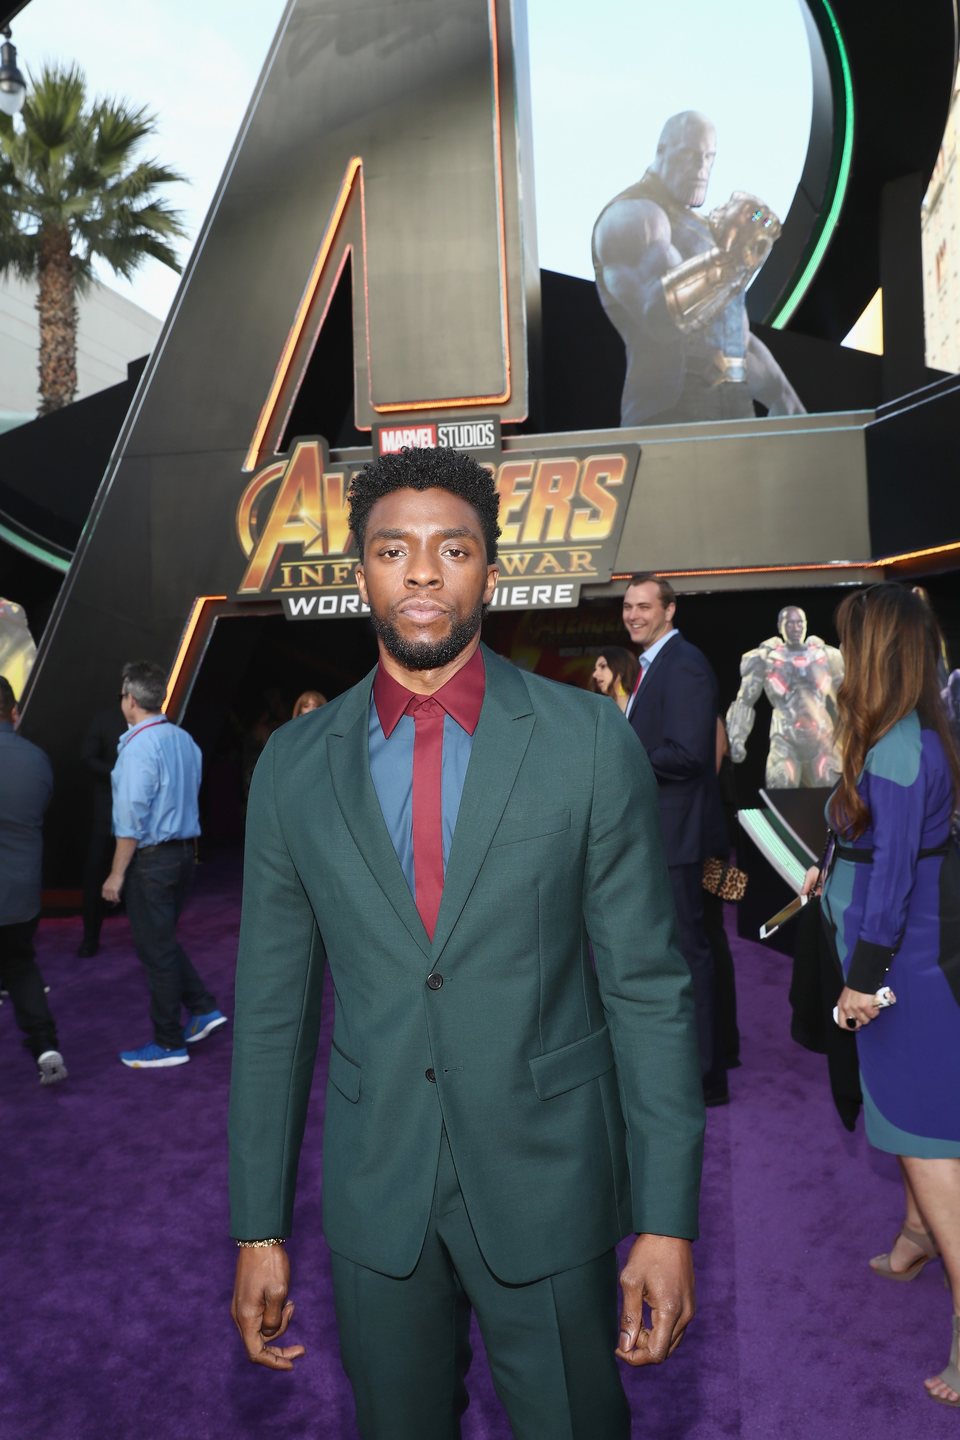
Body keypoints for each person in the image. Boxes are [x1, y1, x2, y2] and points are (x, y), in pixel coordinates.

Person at [229, 447, 704, 1439]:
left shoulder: (586, 741)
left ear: (491, 570)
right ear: (359, 572)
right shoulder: (292, 768)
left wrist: (666, 1222)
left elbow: (648, 994)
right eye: (392, 549)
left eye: (453, 548)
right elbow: (273, 1017)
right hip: (375, 1192)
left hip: (551, 1181)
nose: (422, 572)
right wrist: (258, 1228)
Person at [802, 584, 960, 1408]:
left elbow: (895, 887)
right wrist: (832, 865)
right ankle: (913, 1238)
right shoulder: (903, 734)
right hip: (901, 965)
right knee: (904, 1121)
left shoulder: (900, 744)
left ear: (876, 652)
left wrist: (865, 982)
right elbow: (882, 852)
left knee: (931, 1143)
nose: (837, 654)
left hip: (904, 980)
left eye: (846, 641)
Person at [592, 110, 804, 428]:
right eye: (689, 156)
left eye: (708, 157)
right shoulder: (633, 217)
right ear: (662, 151)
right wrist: (729, 262)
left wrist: (787, 402)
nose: (701, 168)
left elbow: (736, 340)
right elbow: (660, 316)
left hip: (734, 412)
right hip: (668, 413)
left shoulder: (707, 233)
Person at [623, 571, 728, 1104]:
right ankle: (708, 1060)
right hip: (670, 834)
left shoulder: (682, 665)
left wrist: (620, 757)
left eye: (644, 606)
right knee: (694, 948)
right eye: (628, 606)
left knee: (690, 954)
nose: (634, 615)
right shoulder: (655, 665)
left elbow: (687, 755)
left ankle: (705, 1075)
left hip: (680, 837)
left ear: (669, 611)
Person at [102, 661, 227, 1069]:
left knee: (155, 951)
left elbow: (131, 820)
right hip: (183, 857)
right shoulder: (184, 740)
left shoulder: (139, 747)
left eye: (122, 695)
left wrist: (116, 874)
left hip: (152, 862)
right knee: (163, 944)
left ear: (132, 700)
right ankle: (203, 1008)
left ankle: (169, 1042)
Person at [0, 675, 67, 1084]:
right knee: (21, 967)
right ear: (14, 712)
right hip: (20, 893)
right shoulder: (36, 759)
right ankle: (46, 1046)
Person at [726, 605, 844, 789]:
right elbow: (745, 700)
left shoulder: (826, 656)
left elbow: (845, 701)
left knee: (832, 800)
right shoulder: (766, 659)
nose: (796, 628)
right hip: (785, 739)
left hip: (822, 739)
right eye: (790, 624)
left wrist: (856, 737)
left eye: (799, 623)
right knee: (781, 792)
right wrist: (737, 739)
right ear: (781, 626)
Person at [77, 698, 127, 956]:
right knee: (95, 875)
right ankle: (90, 937)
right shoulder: (105, 720)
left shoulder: (154, 725)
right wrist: (119, 772)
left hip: (142, 817)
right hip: (106, 814)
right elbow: (87, 757)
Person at [590, 646, 639, 712]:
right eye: (595, 669)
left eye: (603, 666)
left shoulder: (642, 703)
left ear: (621, 668)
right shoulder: (602, 710)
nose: (594, 674)